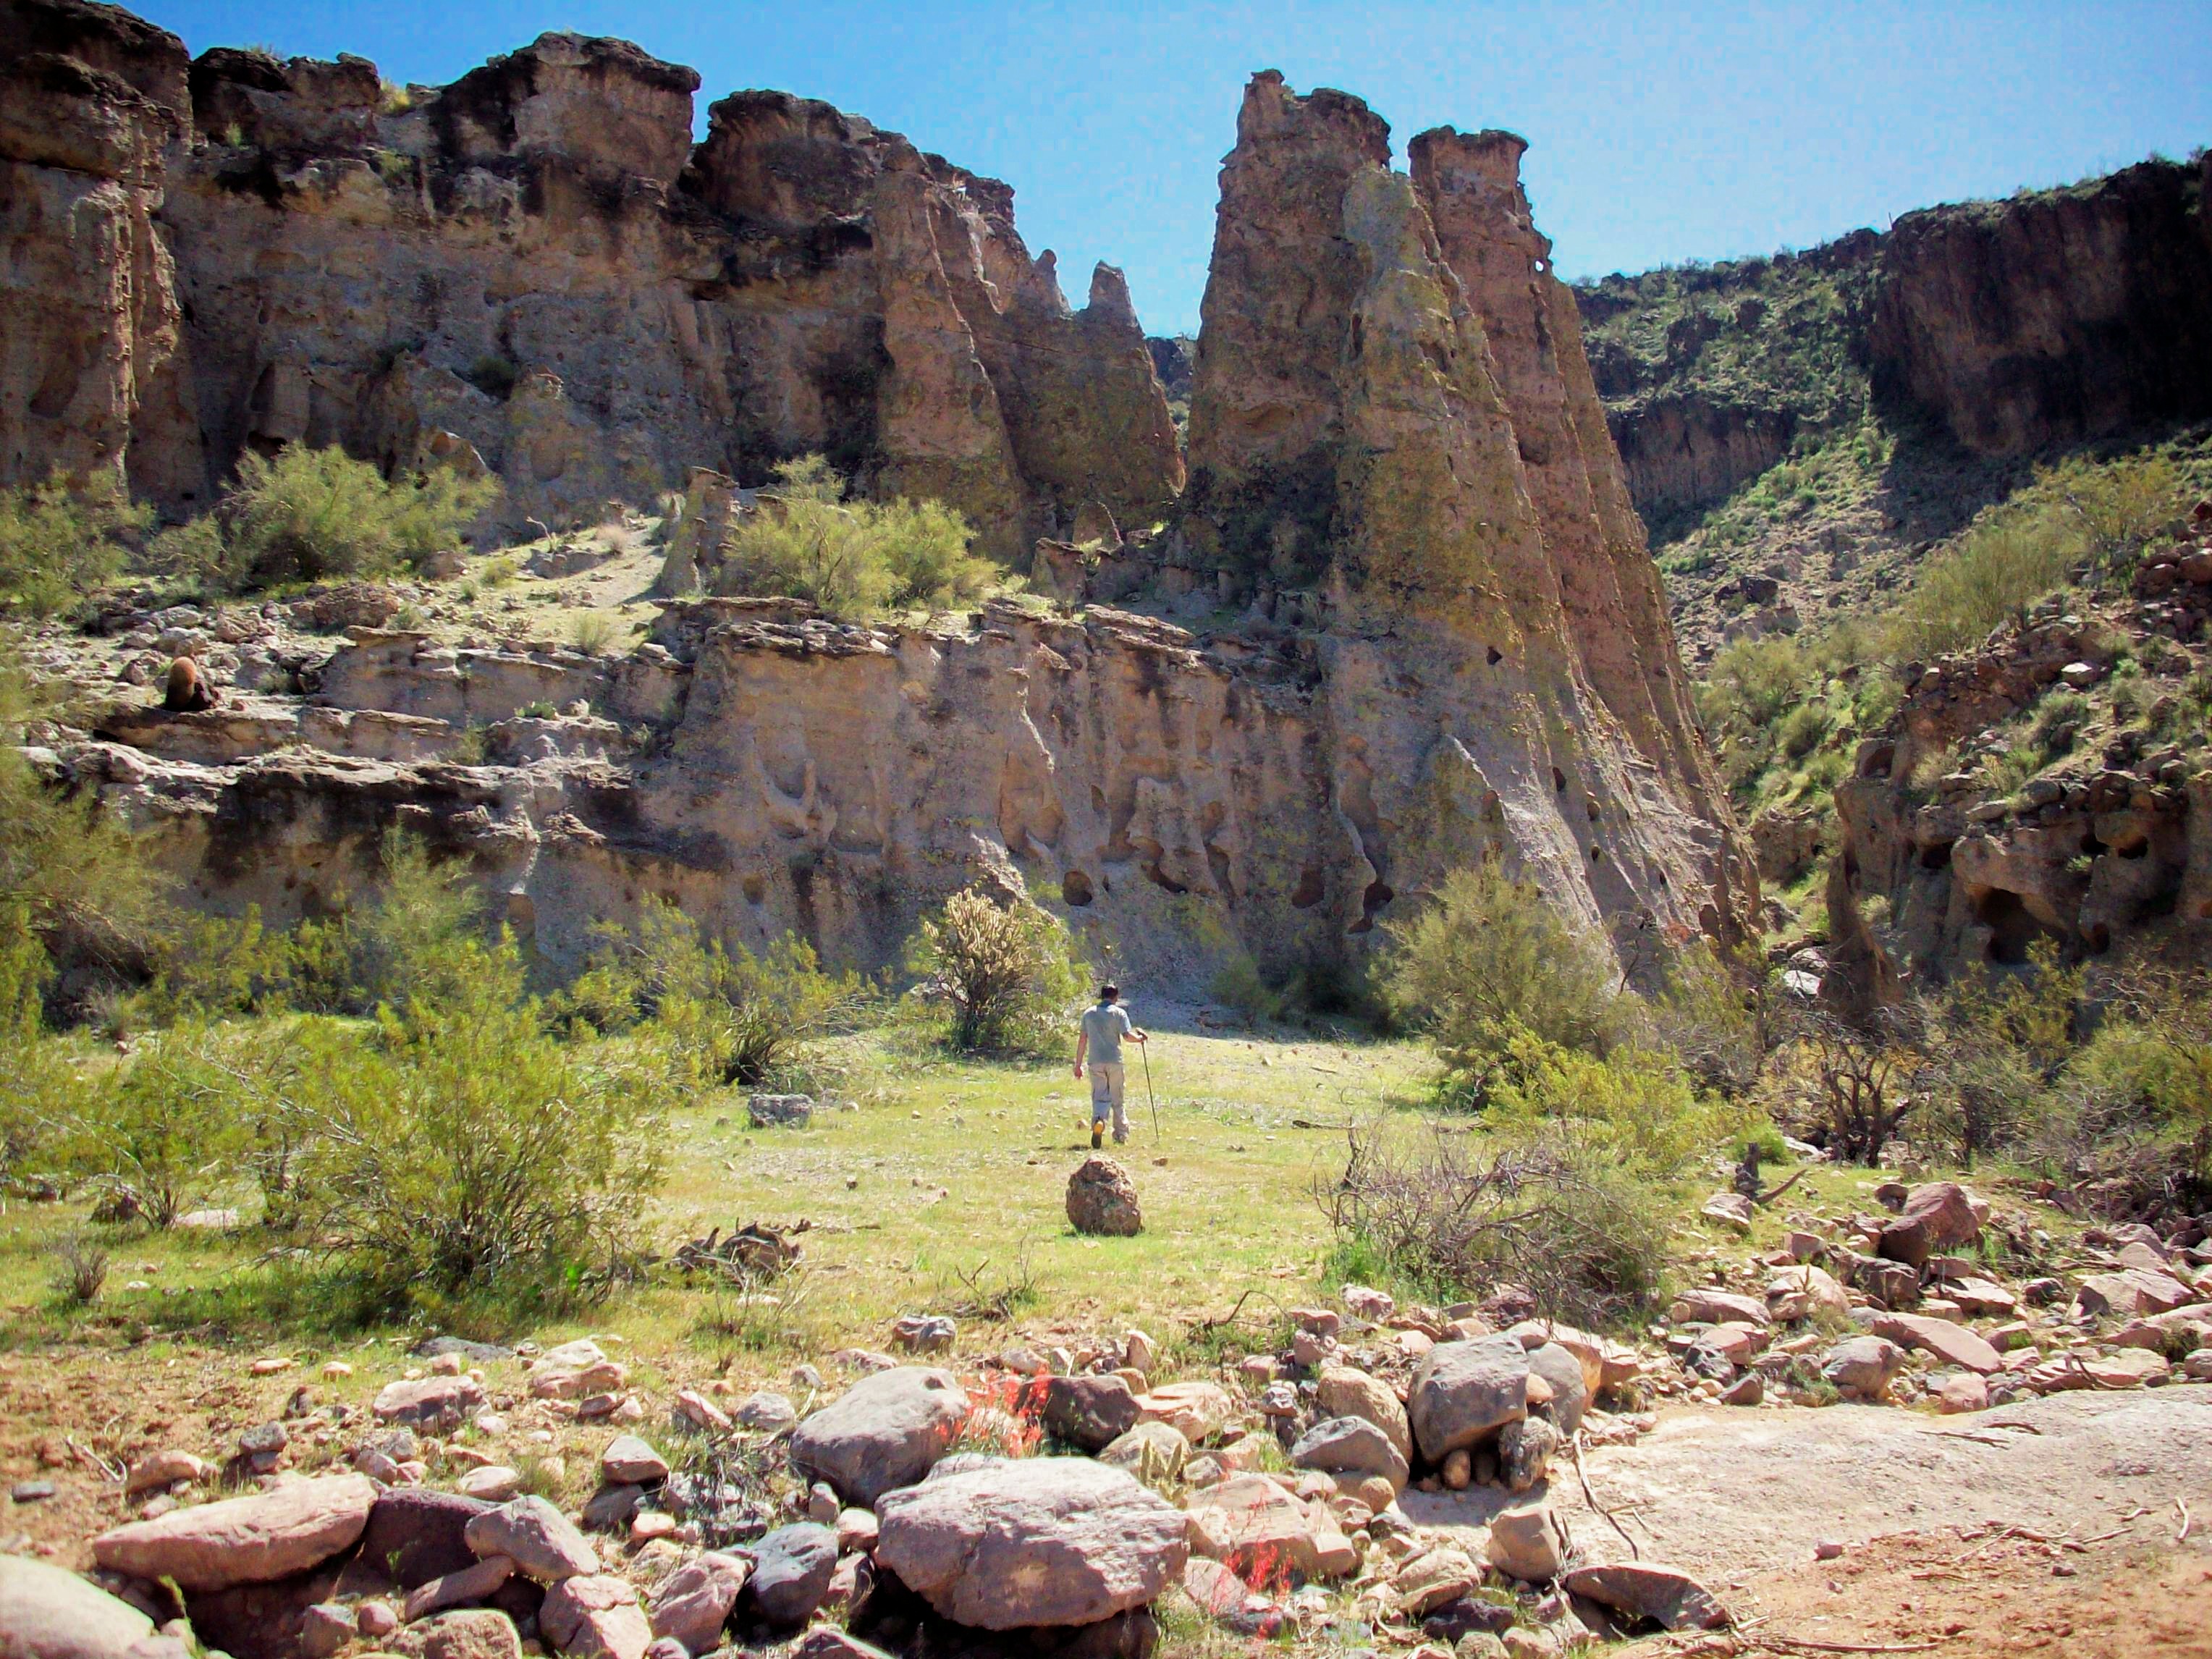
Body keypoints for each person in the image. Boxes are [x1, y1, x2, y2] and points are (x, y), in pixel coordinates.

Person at [1073, 982, 1147, 1149]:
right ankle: (1120, 1135)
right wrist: (1141, 1039)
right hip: (1115, 1061)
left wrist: (1078, 1065)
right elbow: (1127, 1036)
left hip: (1095, 1061)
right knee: (1118, 1098)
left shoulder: (1089, 1014)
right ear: (1116, 997)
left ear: (1101, 995)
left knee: (1099, 1096)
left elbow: (1083, 1039)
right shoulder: (1119, 1013)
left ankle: (1099, 1122)